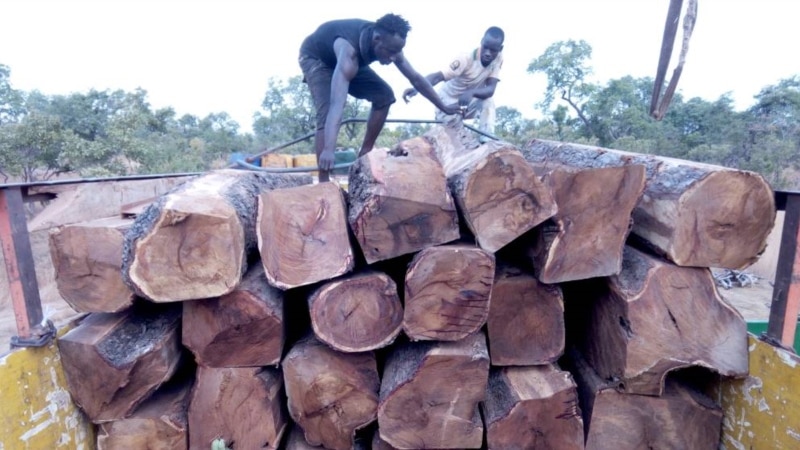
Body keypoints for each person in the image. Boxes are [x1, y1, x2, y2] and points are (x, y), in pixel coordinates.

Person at [299, 13, 461, 182]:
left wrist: (444, 107)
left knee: (384, 96)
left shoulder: (390, 45)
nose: (393, 58)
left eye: (397, 52)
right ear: (377, 39)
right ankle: (324, 182)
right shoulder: (350, 54)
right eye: (390, 52)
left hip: (343, 63)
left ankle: (365, 153)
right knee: (326, 113)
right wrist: (329, 149)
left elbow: (416, 79)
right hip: (317, 59)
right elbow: (336, 105)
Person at [402, 27, 505, 138]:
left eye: (493, 50)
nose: (488, 53)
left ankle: (487, 137)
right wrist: (417, 87)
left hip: (467, 102)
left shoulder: (498, 59)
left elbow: (490, 89)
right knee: (454, 138)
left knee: (488, 101)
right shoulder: (465, 58)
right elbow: (438, 77)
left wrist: (471, 92)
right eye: (485, 47)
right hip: (448, 104)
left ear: (500, 49)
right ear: (481, 42)